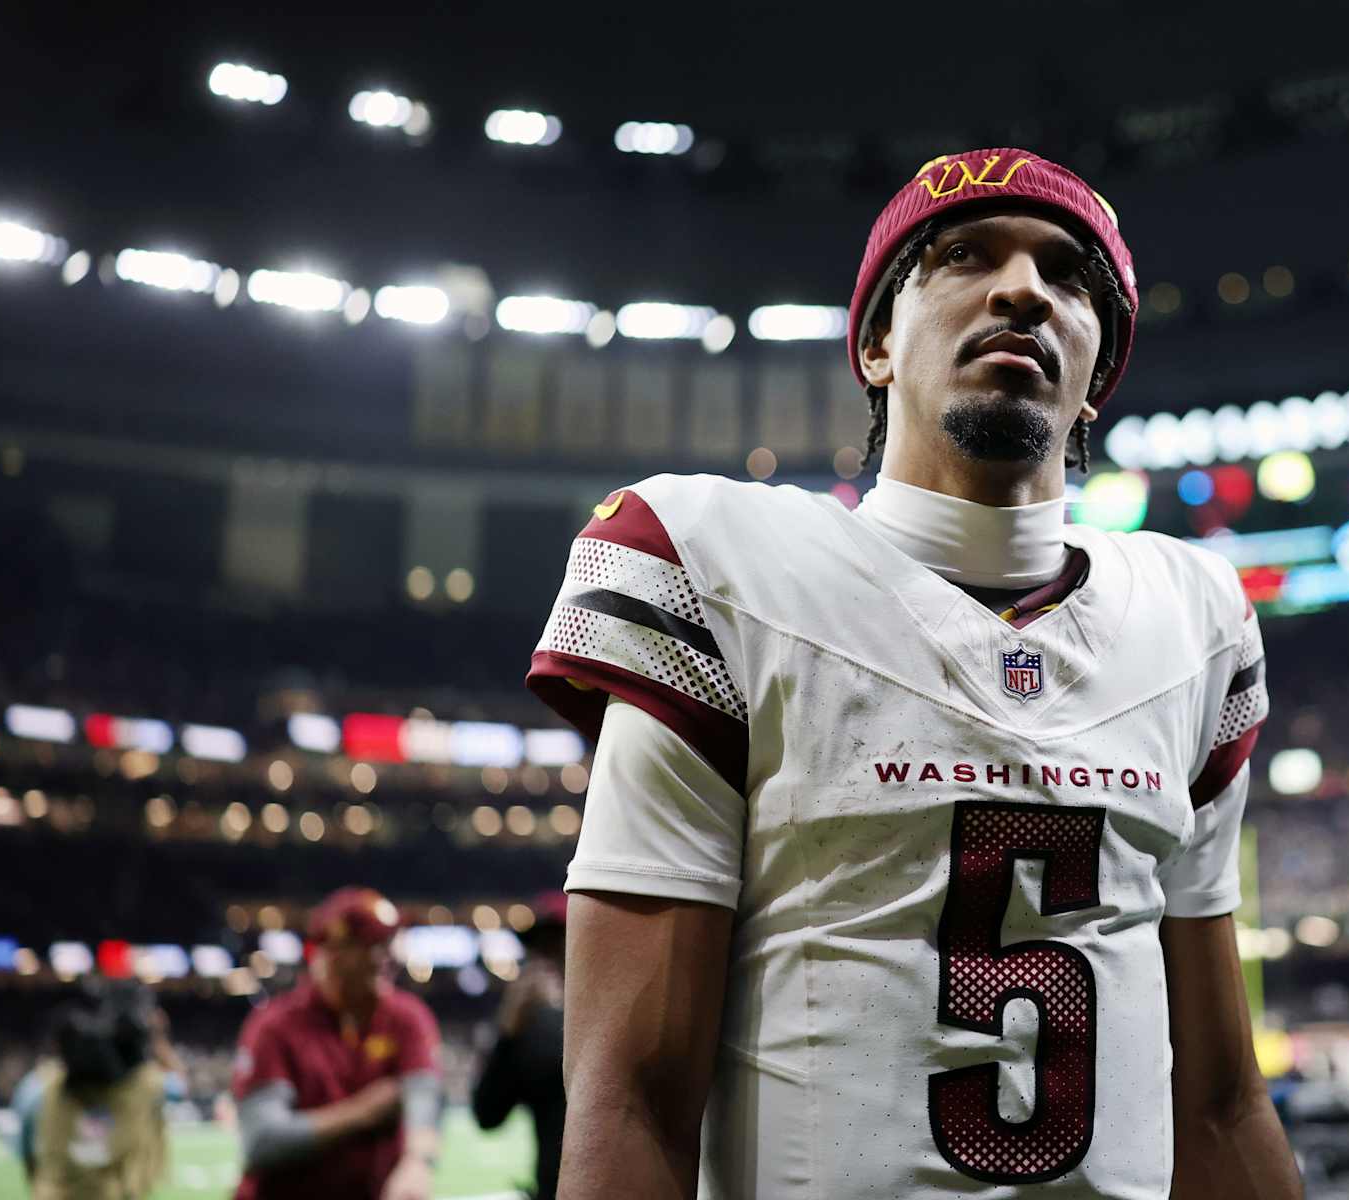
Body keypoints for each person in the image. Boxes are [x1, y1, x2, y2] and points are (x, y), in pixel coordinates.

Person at [527, 148, 1300, 1198]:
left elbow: (1218, 1103)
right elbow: (632, 1099)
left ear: (1096, 378)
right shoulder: (716, 566)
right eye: (963, 256)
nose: (1023, 288)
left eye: (1068, 275)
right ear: (879, 343)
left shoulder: (1195, 624)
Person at [231, 886, 442, 1200]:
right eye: (374, 945)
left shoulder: (406, 1016)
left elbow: (423, 1097)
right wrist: (361, 1111)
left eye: (389, 944)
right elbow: (263, 1142)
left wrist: (417, 1163)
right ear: (334, 951)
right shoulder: (274, 1027)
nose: (388, 957)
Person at [26, 983, 184, 1200]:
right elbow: (178, 1085)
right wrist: (157, 1037)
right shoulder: (143, 1087)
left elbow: (28, 1153)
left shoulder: (43, 1085)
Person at [471, 892, 569, 1200]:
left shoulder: (620, 1008)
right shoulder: (530, 1028)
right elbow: (488, 1115)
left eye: (559, 943)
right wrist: (508, 1032)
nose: (548, 958)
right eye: (540, 948)